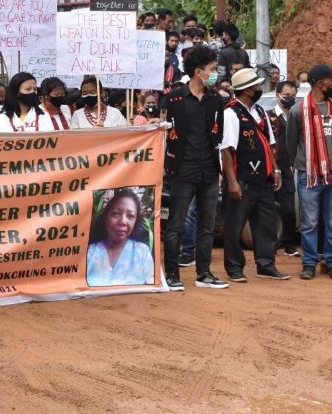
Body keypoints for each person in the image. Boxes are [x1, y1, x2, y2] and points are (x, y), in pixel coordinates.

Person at [163, 46, 228, 291]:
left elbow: (218, 135)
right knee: (176, 225)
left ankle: (204, 273)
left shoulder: (216, 100)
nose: (215, 74)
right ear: (199, 71)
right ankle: (172, 275)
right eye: (212, 70)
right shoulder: (174, 99)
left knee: (207, 226)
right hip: (182, 171)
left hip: (209, 171)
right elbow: (163, 133)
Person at [219, 69, 288, 282]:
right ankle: (234, 267)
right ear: (248, 89)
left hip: (264, 178)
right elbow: (226, 150)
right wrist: (231, 182)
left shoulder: (259, 110)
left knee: (266, 223)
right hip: (242, 179)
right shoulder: (230, 113)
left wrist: (275, 169)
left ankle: (266, 264)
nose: (260, 88)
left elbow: (269, 144)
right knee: (235, 225)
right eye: (257, 86)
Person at [286, 64, 332, 281]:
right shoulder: (298, 111)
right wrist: (301, 166)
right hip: (309, 175)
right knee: (310, 222)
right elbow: (291, 144)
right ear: (321, 83)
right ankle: (309, 264)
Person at [86, 189, 154, 286]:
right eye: (116, 214)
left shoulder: (142, 253)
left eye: (130, 216)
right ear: (105, 217)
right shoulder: (90, 252)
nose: (123, 221)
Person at [269, 81, 300, 257]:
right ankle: (269, 245)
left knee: (289, 210)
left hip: (288, 171)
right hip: (269, 171)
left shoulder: (296, 116)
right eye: (287, 95)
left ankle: (289, 245)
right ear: (278, 94)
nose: (290, 99)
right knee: (267, 211)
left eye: (293, 96)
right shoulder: (269, 116)